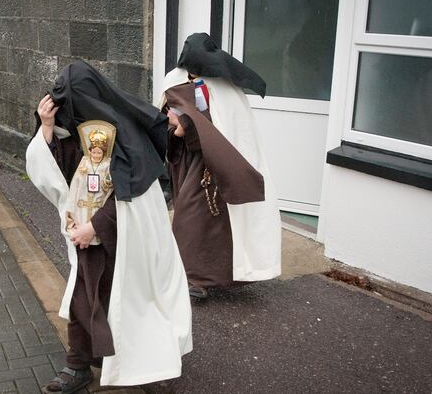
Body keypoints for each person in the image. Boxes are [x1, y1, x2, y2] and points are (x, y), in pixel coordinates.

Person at [27, 61, 192, 393]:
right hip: (90, 236)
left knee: (128, 301)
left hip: (122, 239)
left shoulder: (125, 135)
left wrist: (96, 227)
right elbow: (59, 168)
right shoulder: (80, 127)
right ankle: (80, 365)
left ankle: (132, 365)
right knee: (84, 299)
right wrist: (45, 128)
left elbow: (135, 197)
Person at [162, 32, 282, 299]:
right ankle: (196, 277)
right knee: (194, 217)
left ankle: (196, 279)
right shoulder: (175, 78)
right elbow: (165, 114)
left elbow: (226, 126)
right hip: (188, 160)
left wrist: (184, 126)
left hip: (216, 160)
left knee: (195, 218)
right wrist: (175, 129)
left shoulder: (224, 88)